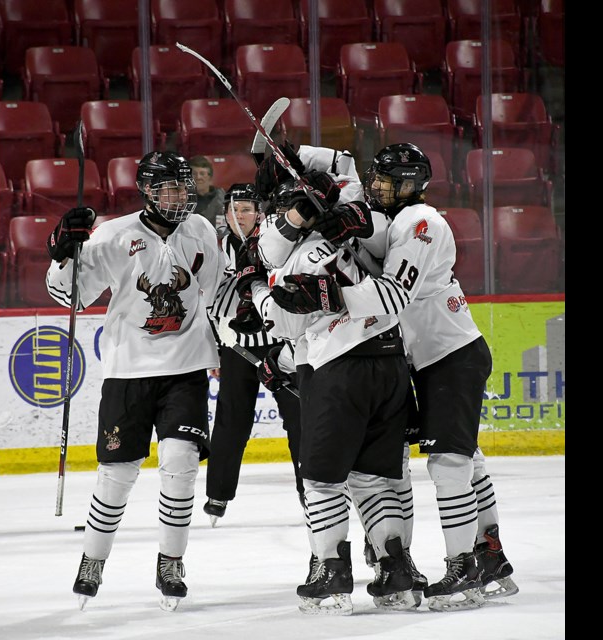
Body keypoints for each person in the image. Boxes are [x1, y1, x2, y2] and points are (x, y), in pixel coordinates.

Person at [271, 142, 518, 612]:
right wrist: (300, 154)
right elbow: (344, 166)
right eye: (378, 177)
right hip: (428, 358)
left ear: (415, 185)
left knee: (449, 464)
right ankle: (491, 553)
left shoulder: (421, 222)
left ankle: (463, 566)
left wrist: (327, 297)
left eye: (391, 180)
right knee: (469, 459)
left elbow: (391, 297)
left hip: (451, 355)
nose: (379, 185)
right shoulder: (393, 215)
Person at [44, 150, 225, 612]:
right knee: (116, 476)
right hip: (129, 372)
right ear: (147, 190)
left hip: (185, 368)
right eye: (168, 188)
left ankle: (171, 561)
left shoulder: (201, 230)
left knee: (181, 466)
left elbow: (218, 291)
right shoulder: (113, 234)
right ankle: (93, 559)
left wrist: (231, 340)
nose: (179, 196)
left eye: (184, 187)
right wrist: (64, 253)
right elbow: (70, 296)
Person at [246, 173, 419, 615]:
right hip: (390, 361)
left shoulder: (297, 258)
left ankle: (332, 574)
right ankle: (395, 572)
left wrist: (260, 290)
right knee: (373, 478)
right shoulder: (357, 241)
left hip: (339, 369)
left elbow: (285, 326)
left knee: (322, 480)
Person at [203, 183, 303, 526]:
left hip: (280, 345)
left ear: (259, 213)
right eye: (235, 209)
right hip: (235, 346)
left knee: (299, 419)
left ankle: (313, 495)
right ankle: (217, 496)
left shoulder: (275, 241)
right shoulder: (214, 247)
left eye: (247, 209)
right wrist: (215, 345)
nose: (240, 215)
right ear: (225, 212)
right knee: (232, 420)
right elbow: (202, 297)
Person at [189, 155, 226, 229]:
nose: (198, 177)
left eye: (202, 173)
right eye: (194, 174)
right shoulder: (183, 199)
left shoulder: (222, 200)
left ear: (210, 177)